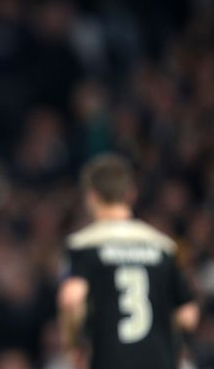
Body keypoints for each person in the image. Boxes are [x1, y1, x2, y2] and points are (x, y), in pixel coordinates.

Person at [58, 153, 199, 369]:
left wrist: (73, 345)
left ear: (91, 196)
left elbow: (72, 297)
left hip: (110, 360)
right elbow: (188, 315)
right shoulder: (161, 246)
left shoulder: (87, 245)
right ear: (131, 194)